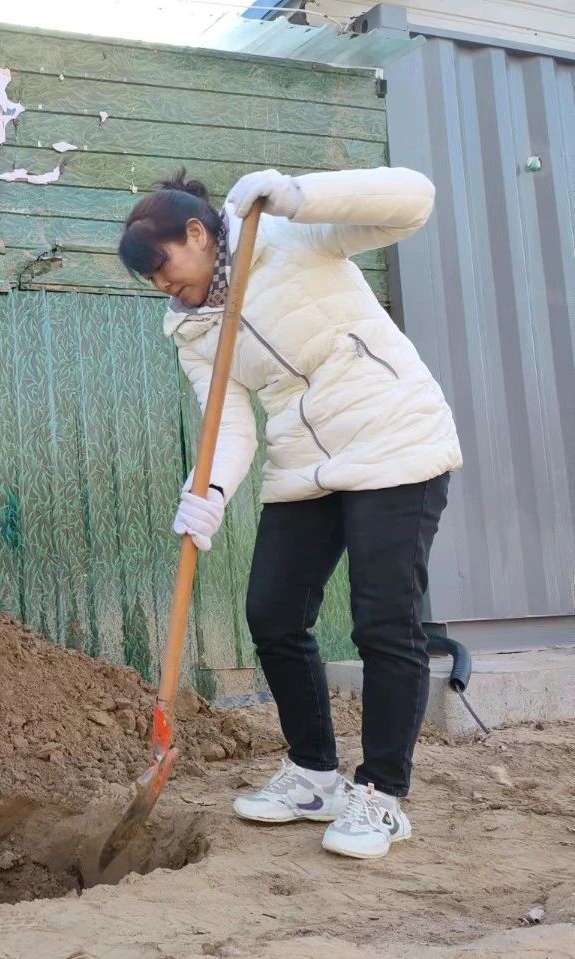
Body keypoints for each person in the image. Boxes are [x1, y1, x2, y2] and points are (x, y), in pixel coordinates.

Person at [119, 167, 462, 860]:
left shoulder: (287, 234)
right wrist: (207, 492)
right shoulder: (190, 325)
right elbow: (228, 422)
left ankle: (382, 795)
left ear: (196, 233)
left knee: (382, 620)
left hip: (393, 442)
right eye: (148, 279)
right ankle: (314, 775)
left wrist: (304, 195)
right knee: (273, 612)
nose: (161, 285)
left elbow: (414, 201)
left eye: (162, 266)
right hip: (304, 464)